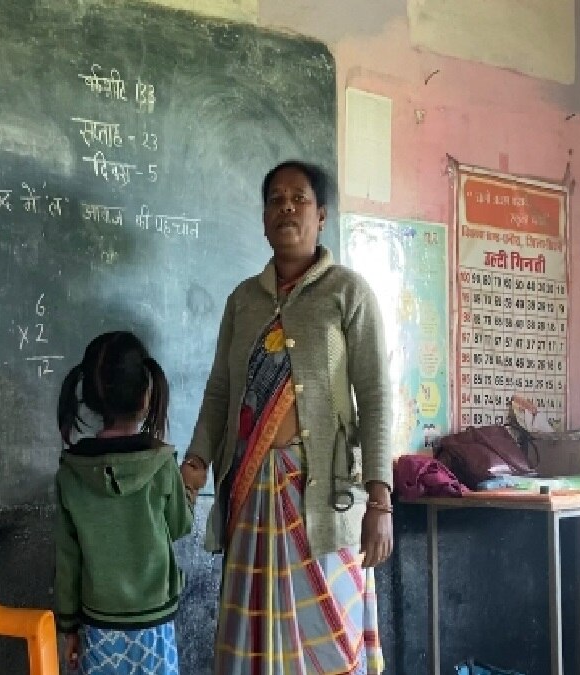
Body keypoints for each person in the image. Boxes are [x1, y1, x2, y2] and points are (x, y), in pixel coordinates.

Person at [179, 161, 393, 674]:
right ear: (263, 219)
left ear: (322, 216)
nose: (286, 208)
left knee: (332, 643)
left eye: (299, 198)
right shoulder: (243, 301)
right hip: (251, 498)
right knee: (255, 646)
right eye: (275, 199)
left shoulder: (349, 293)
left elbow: (376, 393)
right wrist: (196, 460)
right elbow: (220, 391)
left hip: (327, 501)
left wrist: (381, 500)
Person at [54, 331, 195, 674]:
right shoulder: (161, 464)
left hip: (98, 620)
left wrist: (68, 628)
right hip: (154, 618)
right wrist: (189, 489)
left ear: (89, 396)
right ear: (147, 394)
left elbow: (67, 559)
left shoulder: (71, 473)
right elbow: (179, 526)